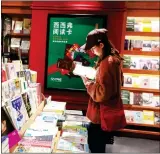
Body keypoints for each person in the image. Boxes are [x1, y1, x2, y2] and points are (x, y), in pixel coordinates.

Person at [80, 28, 126, 153]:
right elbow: (115, 83)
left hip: (100, 116)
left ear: (101, 45)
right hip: (105, 114)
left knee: (95, 147)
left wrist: (88, 84)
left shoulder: (106, 63)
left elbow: (102, 93)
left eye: (94, 48)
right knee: (99, 147)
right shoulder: (113, 59)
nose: (92, 51)